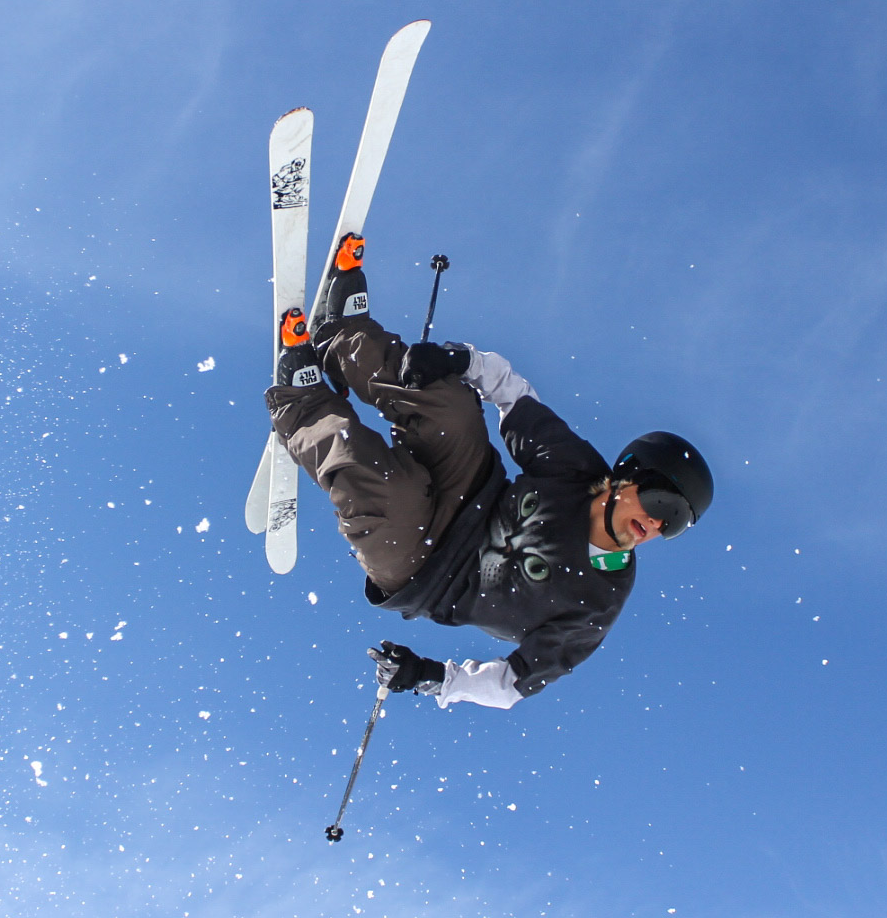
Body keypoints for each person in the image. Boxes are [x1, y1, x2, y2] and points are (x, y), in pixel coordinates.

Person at [265, 233, 712, 710]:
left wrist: (433, 676)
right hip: (470, 484)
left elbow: (514, 683)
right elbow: (515, 398)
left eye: (673, 524)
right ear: (628, 475)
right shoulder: (578, 471)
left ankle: (301, 405)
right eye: (661, 502)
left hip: (426, 568)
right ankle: (343, 336)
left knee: (393, 494)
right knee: (453, 407)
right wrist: (460, 360)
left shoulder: (599, 599)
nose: (656, 524)